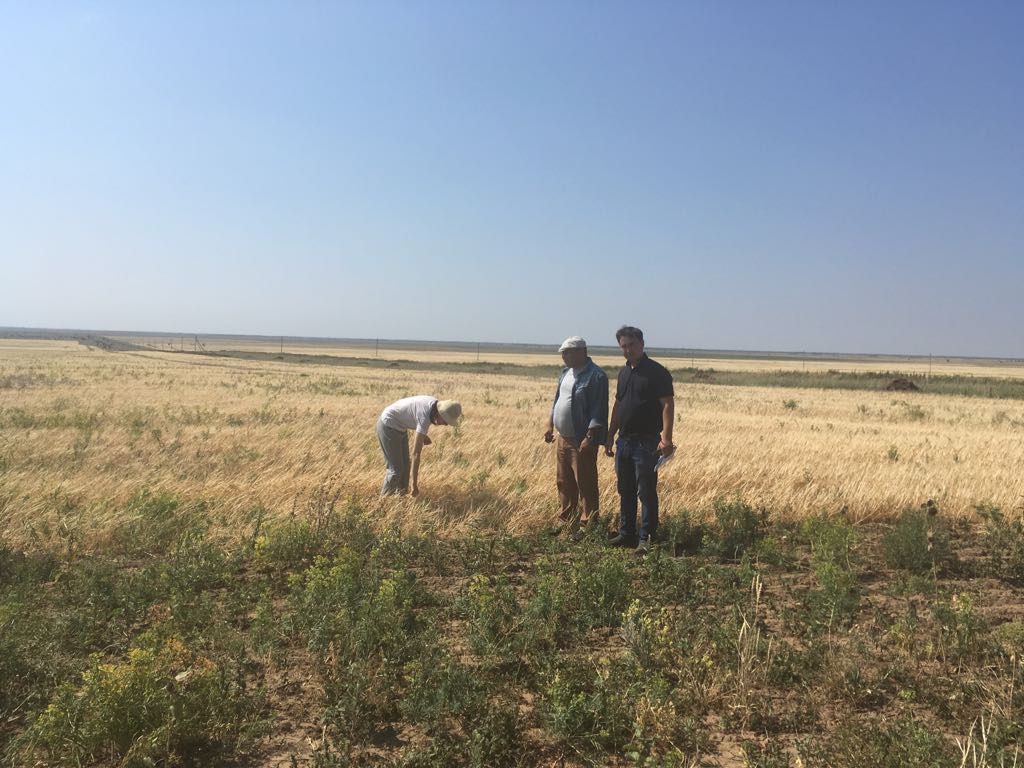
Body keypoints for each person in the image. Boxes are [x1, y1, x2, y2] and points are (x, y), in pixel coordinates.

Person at [604, 326, 675, 555]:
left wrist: (666, 439)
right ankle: (626, 534)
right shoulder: (624, 373)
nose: (628, 350)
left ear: (642, 344)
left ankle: (646, 538)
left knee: (645, 492)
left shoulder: (657, 372)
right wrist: (610, 434)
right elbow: (618, 404)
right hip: (624, 441)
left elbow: (667, 404)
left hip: (647, 443)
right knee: (625, 490)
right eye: (623, 346)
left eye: (632, 345)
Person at [544, 336, 609, 539]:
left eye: (568, 353)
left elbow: (599, 410)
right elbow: (557, 401)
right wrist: (550, 424)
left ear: (582, 352)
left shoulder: (596, 376)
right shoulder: (566, 373)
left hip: (581, 439)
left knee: (585, 484)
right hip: (563, 437)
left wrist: (590, 437)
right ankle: (566, 521)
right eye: (563, 353)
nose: (564, 357)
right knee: (564, 482)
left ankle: (588, 526)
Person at [377, 396, 462, 496]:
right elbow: (416, 454)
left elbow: (413, 413)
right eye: (446, 421)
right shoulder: (425, 416)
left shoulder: (433, 407)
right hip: (388, 425)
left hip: (399, 426)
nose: (445, 424)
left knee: (406, 466)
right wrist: (414, 485)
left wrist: (422, 435)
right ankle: (383, 499)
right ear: (440, 414)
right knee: (396, 469)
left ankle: (401, 497)